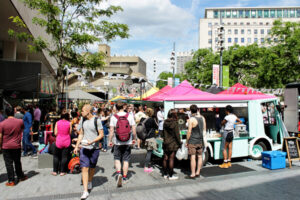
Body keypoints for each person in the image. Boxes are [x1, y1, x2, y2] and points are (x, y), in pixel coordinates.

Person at [74, 104, 104, 200]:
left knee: (92, 167)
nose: (81, 112)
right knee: (84, 168)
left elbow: (101, 135)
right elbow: (81, 134)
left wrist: (92, 141)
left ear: (88, 111)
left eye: (82, 110)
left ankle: (90, 180)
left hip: (94, 148)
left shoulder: (97, 120)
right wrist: (77, 146)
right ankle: (85, 191)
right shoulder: (82, 120)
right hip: (84, 148)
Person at [109, 102, 136, 187]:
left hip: (117, 141)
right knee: (126, 159)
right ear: (124, 107)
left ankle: (118, 173)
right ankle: (124, 177)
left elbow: (111, 131)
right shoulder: (129, 116)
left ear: (116, 107)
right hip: (127, 141)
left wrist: (110, 140)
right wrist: (134, 139)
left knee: (117, 158)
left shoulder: (114, 117)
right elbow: (134, 129)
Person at [0, 107, 28, 186]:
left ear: (6, 113)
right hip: (16, 146)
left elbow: (0, 136)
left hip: (6, 146)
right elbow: (22, 130)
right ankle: (20, 176)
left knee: (9, 164)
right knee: (17, 162)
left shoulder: (2, 124)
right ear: (14, 113)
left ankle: (11, 180)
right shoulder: (20, 122)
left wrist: (0, 146)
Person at [186, 105, 206, 178]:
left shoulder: (191, 119)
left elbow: (189, 132)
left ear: (191, 111)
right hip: (200, 140)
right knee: (200, 156)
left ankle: (193, 173)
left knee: (193, 157)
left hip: (192, 140)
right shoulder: (202, 118)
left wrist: (186, 141)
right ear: (197, 110)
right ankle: (198, 172)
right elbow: (204, 129)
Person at [162, 109, 181, 180]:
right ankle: (171, 175)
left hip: (166, 142)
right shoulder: (175, 123)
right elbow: (177, 135)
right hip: (172, 143)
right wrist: (180, 143)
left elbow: (163, 133)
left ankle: (165, 174)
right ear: (174, 115)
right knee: (171, 159)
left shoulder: (165, 122)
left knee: (165, 158)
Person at [52, 112, 71, 176]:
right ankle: (62, 171)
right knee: (64, 157)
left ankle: (55, 171)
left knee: (56, 156)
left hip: (59, 141)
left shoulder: (57, 123)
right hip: (66, 141)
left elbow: (55, 133)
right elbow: (70, 132)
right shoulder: (69, 123)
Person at [140, 108, 158, 173]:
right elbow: (157, 127)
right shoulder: (151, 120)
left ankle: (147, 164)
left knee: (147, 151)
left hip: (144, 137)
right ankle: (146, 167)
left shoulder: (142, 119)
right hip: (150, 137)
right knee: (149, 152)